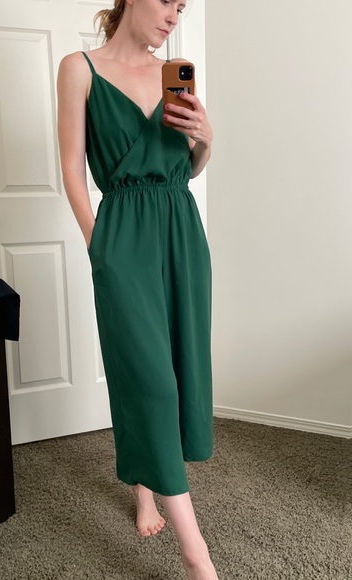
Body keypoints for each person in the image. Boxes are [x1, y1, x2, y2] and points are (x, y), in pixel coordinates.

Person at [56, 0, 216, 577]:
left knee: (176, 368)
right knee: (147, 379)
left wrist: (206, 139)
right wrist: (99, 243)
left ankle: (146, 489)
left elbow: (186, 168)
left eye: (183, 6)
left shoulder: (176, 73)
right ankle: (197, 555)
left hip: (181, 233)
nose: (174, 14)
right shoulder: (80, 68)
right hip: (123, 236)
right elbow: (72, 168)